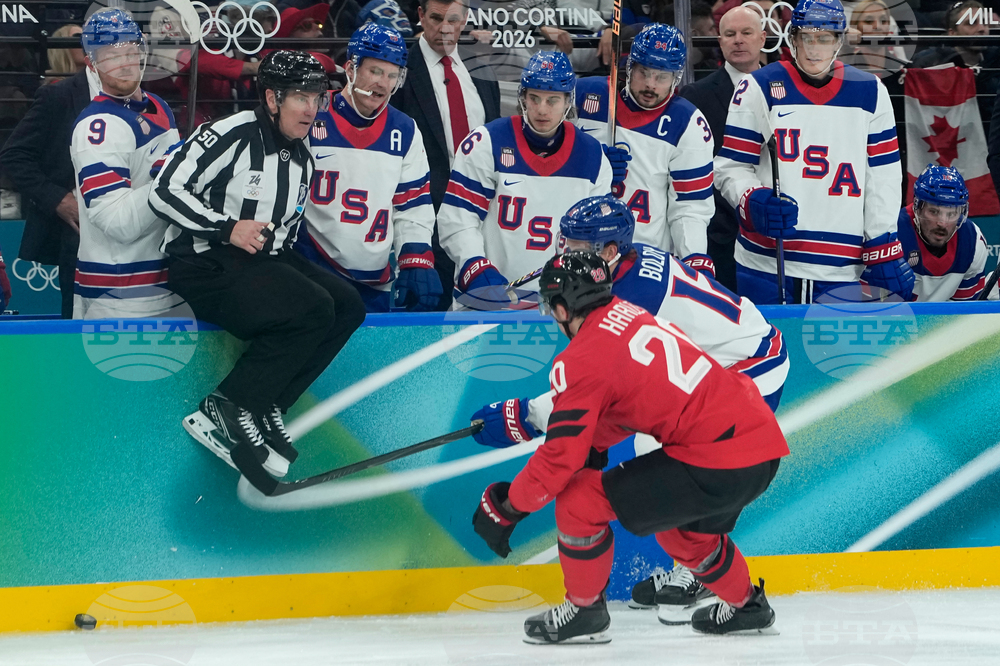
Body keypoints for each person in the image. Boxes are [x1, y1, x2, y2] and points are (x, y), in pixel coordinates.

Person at [469, 194, 788, 619]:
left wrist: (522, 419)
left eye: (578, 249)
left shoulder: (625, 298)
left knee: (660, 461)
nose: (568, 255)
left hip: (748, 361)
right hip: (731, 368)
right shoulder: (622, 272)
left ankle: (684, 571)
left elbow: (587, 393)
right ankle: (723, 580)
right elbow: (619, 395)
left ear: (609, 252)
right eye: (565, 244)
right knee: (667, 453)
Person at [148, 51, 366, 490]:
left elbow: (282, 239)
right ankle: (226, 405)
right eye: (301, 97)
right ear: (271, 97)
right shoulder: (231, 134)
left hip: (256, 260)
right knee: (310, 307)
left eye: (317, 97)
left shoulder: (303, 157)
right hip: (202, 261)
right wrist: (226, 227)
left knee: (347, 306)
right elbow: (164, 190)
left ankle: (266, 404)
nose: (311, 108)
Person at [714, 0, 912, 304]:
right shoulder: (758, 87)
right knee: (767, 350)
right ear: (792, 39)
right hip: (766, 259)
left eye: (824, 38)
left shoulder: (871, 91)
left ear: (839, 41)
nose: (814, 48)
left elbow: (882, 176)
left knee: (835, 352)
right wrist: (751, 198)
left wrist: (882, 241)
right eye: (807, 37)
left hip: (843, 265)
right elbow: (730, 166)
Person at [438, 51, 613, 309]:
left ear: (568, 101)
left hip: (559, 307)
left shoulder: (592, 157)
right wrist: (473, 265)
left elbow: (594, 240)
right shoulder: (486, 142)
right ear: (523, 98)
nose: (542, 110)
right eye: (534, 98)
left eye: (552, 100)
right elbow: (458, 217)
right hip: (487, 299)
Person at [297, 23, 440, 312]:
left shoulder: (405, 130)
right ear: (351, 69)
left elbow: (412, 205)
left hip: (375, 280)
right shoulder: (312, 116)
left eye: (391, 75)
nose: (383, 84)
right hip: (310, 269)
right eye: (375, 71)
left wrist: (415, 257)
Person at [575, 24, 717, 277]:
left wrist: (694, 257)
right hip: (579, 252)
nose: (650, 85)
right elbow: (544, 156)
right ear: (629, 67)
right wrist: (589, 162)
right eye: (644, 72)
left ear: (677, 77)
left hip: (645, 261)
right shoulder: (585, 96)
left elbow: (690, 207)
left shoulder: (688, 123)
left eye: (662, 76)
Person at [68, 9, 182, 320]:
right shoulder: (97, 127)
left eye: (131, 50)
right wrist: (172, 174)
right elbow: (118, 221)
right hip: (118, 291)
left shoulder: (159, 106)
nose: (125, 62)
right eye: (111, 55)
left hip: (163, 278)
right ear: (92, 63)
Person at [391, 0, 502, 309]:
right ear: (421, 16)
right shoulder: (399, 71)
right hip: (425, 217)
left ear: (465, 19)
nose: (445, 28)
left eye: (453, 19)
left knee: (484, 319)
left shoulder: (480, 68)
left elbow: (494, 141)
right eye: (436, 18)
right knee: (430, 322)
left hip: (483, 217)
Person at [0, 35, 96, 318]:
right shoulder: (59, 95)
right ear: (91, 56)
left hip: (136, 237)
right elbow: (14, 155)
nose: (126, 63)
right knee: (78, 328)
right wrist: (58, 199)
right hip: (79, 234)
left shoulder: (150, 102)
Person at [679, 6, 768, 291]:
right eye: (729, 34)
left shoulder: (785, 90)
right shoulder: (695, 95)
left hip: (776, 233)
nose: (738, 40)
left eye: (746, 33)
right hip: (720, 237)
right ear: (720, 42)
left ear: (763, 39)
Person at [897, 165, 987, 301]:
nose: (943, 223)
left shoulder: (973, 241)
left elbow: (963, 314)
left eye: (951, 214)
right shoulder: (893, 233)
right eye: (934, 212)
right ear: (917, 207)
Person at [909, 0, 1000, 125]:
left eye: (985, 23)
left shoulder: (996, 62)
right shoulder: (930, 64)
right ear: (952, 33)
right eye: (971, 23)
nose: (981, 29)